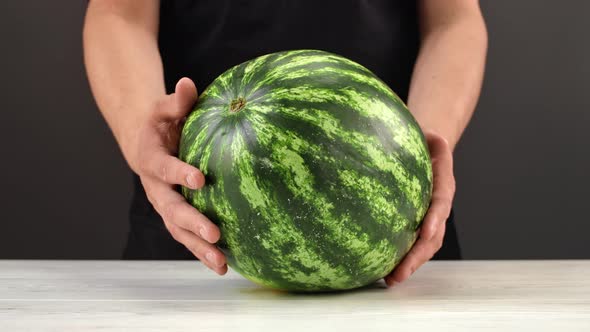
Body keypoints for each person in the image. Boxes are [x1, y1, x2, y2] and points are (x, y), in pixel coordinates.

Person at [83, 0, 487, 286]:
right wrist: (143, 137)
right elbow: (118, 14)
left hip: (390, 214)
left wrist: (420, 149)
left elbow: (453, 19)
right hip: (193, 208)